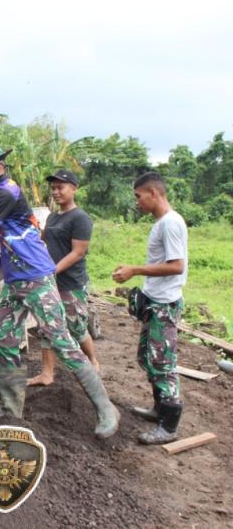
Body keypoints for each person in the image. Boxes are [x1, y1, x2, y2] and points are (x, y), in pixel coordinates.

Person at [0, 145, 119, 439]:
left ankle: (106, 408)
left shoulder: (6, 191)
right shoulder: (1, 193)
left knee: (61, 341)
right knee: (6, 339)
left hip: (37, 277)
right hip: (14, 280)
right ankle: (10, 408)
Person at [112, 172, 188, 445]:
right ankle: (158, 409)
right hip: (155, 303)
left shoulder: (170, 224)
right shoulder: (161, 223)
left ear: (153, 193)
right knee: (147, 358)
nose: (137, 202)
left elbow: (177, 265)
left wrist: (135, 270)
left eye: (138, 196)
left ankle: (169, 426)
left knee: (162, 363)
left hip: (165, 305)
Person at [28, 170, 100, 386]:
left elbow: (78, 252)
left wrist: (52, 270)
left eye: (61, 187)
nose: (56, 192)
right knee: (47, 326)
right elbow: (45, 240)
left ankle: (93, 361)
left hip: (71, 283)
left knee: (77, 327)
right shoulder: (52, 216)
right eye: (53, 188)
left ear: (74, 188)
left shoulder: (80, 218)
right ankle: (47, 373)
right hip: (51, 281)